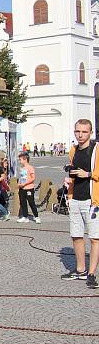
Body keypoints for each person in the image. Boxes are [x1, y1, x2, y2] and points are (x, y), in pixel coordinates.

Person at [62, 119, 99, 288]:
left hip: (92, 200)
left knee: (94, 238)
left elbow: (92, 173)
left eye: (84, 132)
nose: (80, 135)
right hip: (75, 197)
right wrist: (68, 181)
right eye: (77, 131)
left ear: (91, 133)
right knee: (76, 236)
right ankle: (81, 270)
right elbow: (72, 172)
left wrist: (89, 174)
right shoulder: (73, 150)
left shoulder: (96, 149)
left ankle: (91, 273)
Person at [16, 152, 41, 224]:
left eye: (20, 159)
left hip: (29, 188)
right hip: (22, 188)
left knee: (31, 203)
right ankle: (25, 217)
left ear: (25, 159)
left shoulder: (30, 168)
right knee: (23, 203)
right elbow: (21, 177)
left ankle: (36, 217)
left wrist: (25, 184)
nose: (19, 161)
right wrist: (19, 184)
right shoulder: (22, 168)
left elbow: (33, 178)